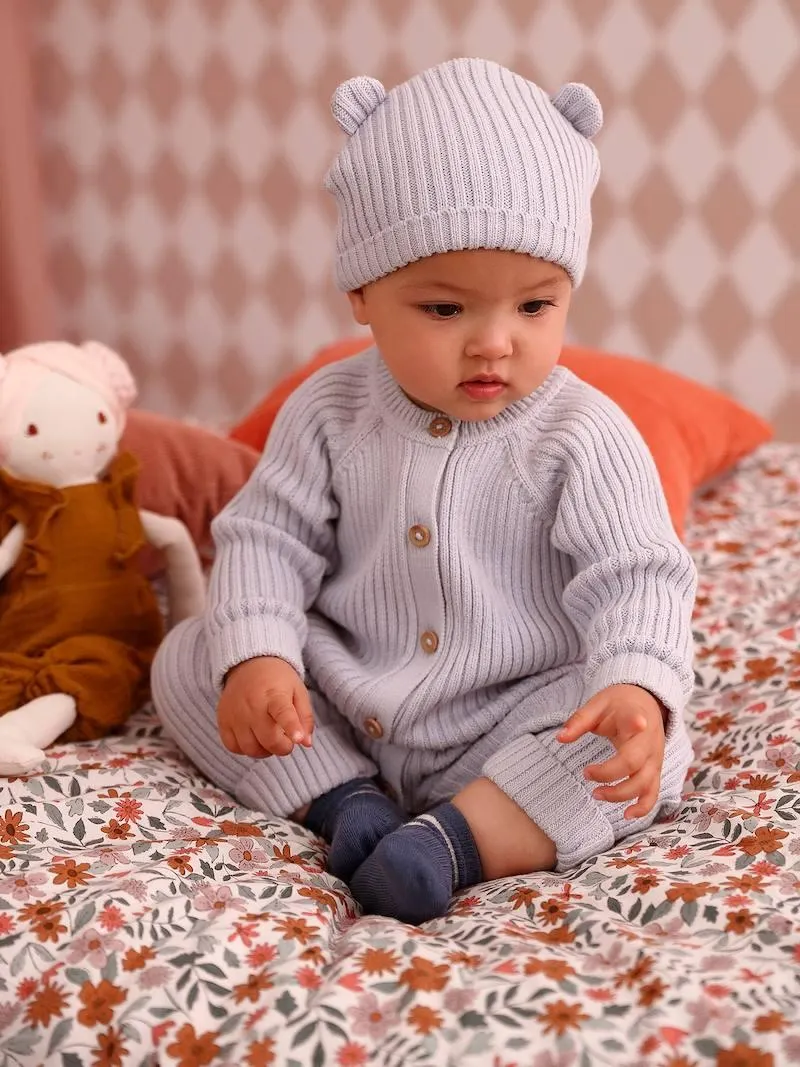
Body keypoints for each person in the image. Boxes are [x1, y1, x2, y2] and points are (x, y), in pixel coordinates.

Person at [152, 57, 697, 925]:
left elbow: (639, 573)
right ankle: (346, 801)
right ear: (363, 293)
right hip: (346, 695)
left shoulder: (583, 432)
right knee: (191, 657)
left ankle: (451, 843)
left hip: (514, 716)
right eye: (446, 310)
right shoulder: (328, 410)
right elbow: (267, 538)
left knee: (639, 749)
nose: (494, 343)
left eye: (535, 307)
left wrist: (634, 684)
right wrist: (260, 656)